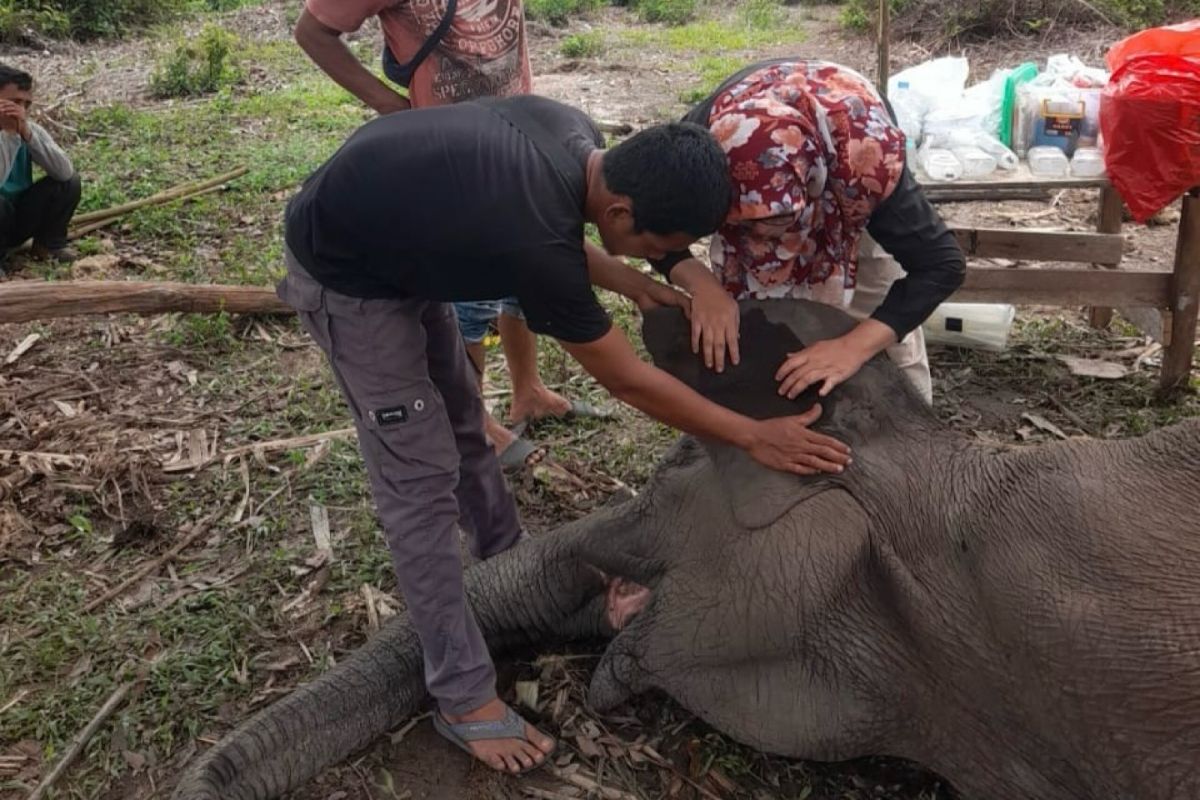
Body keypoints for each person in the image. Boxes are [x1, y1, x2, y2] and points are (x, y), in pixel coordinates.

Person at [278, 95, 852, 775]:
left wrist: (633, 284)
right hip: (348, 275)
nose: (659, 262)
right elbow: (629, 379)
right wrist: (753, 437)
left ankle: (506, 564)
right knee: (419, 486)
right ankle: (460, 697)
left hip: (403, 246)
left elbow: (556, 235)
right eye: (655, 249)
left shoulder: (575, 135)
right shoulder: (536, 236)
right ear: (621, 212)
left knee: (464, 420)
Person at [294, 0, 588, 469]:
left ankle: (527, 390)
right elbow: (312, 32)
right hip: (447, 156)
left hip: (513, 130)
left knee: (519, 268)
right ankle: (476, 423)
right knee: (469, 293)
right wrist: (392, 107)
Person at [652, 59, 966, 404]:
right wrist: (704, 286)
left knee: (882, 316)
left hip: (844, 163)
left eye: (773, 221)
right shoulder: (698, 155)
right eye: (742, 222)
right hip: (771, 163)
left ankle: (914, 430)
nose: (761, 239)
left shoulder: (868, 169)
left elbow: (942, 265)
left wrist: (853, 346)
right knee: (758, 323)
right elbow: (648, 225)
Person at [0, 63, 81, 270]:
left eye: (26, 104)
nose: (20, 110)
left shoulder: (29, 130)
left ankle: (47, 245)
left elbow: (64, 171)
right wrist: (8, 137)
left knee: (69, 182)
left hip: (17, 216)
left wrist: (28, 136)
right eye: (14, 102)